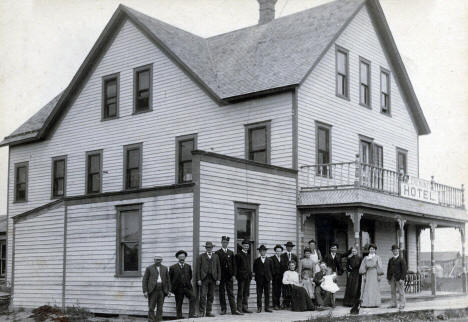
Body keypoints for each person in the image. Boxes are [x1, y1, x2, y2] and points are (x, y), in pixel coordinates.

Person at [215, 236, 242, 315]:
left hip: (229, 276)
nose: (225, 244)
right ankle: (223, 309)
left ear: (228, 243)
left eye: (226, 242)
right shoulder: (218, 253)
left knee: (230, 293)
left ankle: (234, 310)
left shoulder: (231, 253)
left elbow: (234, 265)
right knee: (222, 293)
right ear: (221, 243)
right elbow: (217, 266)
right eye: (223, 242)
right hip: (221, 276)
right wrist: (218, 277)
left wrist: (234, 275)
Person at [142, 256, 171, 322]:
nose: (158, 261)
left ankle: (158, 320)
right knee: (151, 307)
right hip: (152, 290)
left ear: (162, 260)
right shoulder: (149, 268)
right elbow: (145, 280)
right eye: (157, 260)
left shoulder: (165, 268)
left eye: (160, 260)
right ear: (154, 260)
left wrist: (169, 290)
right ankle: (151, 320)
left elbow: (168, 280)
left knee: (160, 307)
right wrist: (145, 291)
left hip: (162, 290)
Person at [169, 250, 197, 319]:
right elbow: (170, 279)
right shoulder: (173, 267)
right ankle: (179, 316)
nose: (182, 258)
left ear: (185, 258)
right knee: (179, 302)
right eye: (180, 257)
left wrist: (186, 282)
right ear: (177, 258)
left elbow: (190, 276)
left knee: (193, 297)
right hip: (178, 288)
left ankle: (191, 315)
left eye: (183, 257)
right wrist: (171, 289)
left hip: (187, 287)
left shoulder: (188, 266)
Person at [197, 241, 221, 317]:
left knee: (211, 296)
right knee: (203, 296)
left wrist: (218, 279)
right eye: (207, 247)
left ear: (212, 248)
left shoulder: (216, 256)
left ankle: (208, 312)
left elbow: (218, 268)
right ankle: (201, 312)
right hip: (204, 278)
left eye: (210, 247)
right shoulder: (201, 256)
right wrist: (199, 279)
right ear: (206, 248)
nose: (209, 249)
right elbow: (198, 269)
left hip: (213, 278)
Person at [253, 245, 273, 313]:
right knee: (259, 294)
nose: (262, 252)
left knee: (267, 294)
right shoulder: (256, 260)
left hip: (267, 279)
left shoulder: (270, 260)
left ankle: (267, 307)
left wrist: (270, 277)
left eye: (264, 251)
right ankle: (259, 307)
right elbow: (254, 270)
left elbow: (272, 270)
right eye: (261, 251)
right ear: (259, 252)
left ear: (265, 252)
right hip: (259, 280)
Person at [387, 244, 407, 309]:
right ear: (392, 251)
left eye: (396, 250)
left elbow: (404, 270)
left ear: (398, 251)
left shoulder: (401, 259)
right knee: (393, 291)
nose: (395, 252)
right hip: (392, 278)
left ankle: (402, 304)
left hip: (399, 278)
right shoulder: (390, 260)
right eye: (393, 250)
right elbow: (388, 269)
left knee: (401, 291)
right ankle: (393, 303)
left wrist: (402, 278)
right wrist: (388, 278)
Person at [235, 240, 253, 313]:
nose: (246, 247)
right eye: (245, 246)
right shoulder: (238, 255)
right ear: (242, 246)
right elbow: (236, 267)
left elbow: (249, 266)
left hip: (248, 277)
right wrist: (237, 276)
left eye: (247, 246)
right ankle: (239, 308)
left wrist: (250, 275)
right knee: (240, 293)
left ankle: (245, 307)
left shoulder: (248, 255)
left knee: (246, 293)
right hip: (241, 277)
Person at [280, 241, 298, 308]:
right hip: (285, 275)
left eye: (290, 247)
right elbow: (281, 266)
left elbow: (296, 266)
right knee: (285, 290)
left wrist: (293, 273)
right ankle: (285, 303)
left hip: (292, 275)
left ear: (292, 248)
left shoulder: (294, 256)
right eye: (288, 247)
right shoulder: (282, 256)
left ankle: (292, 303)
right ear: (286, 247)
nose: (289, 248)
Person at [270, 244, 283, 310]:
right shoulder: (272, 258)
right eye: (277, 251)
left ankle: (278, 304)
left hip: (281, 277)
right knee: (275, 290)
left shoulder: (282, 258)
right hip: (275, 277)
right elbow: (271, 268)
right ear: (275, 251)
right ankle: (275, 304)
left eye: (280, 251)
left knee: (279, 291)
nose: (279, 252)